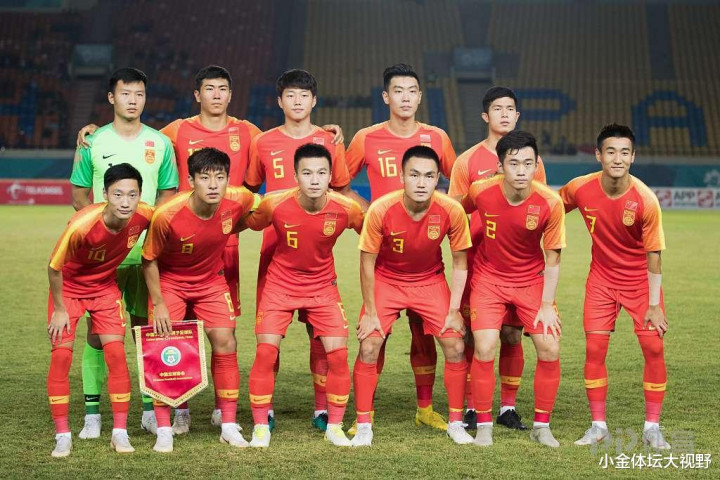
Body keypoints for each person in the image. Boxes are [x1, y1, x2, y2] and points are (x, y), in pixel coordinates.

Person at [77, 65, 344, 432]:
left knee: (223, 333)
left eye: (222, 89)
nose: (216, 95)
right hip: (177, 247)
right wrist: (93, 131)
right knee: (173, 328)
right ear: (197, 94)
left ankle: (223, 408)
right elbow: (136, 134)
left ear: (231, 95)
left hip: (224, 247)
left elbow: (286, 149)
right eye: (209, 89)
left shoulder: (250, 133)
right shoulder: (174, 132)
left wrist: (327, 133)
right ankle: (178, 407)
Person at [244, 69, 366, 432]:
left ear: (314, 101)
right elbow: (250, 192)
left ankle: (321, 409)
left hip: (316, 254)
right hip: (274, 253)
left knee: (320, 337)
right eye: (290, 95)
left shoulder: (329, 140)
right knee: (269, 339)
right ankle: (266, 410)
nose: (297, 102)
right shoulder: (262, 142)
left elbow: (342, 192)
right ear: (279, 101)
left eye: (304, 96)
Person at [345, 64, 456, 432]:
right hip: (383, 261)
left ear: (420, 97)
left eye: (411, 91)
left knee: (425, 336)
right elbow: (340, 184)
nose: (405, 98)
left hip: (426, 261)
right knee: (373, 337)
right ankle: (365, 417)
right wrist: (367, 214)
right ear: (385, 96)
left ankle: (425, 409)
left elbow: (457, 183)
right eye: (398, 91)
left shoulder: (437, 138)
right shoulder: (366, 138)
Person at [69, 67, 178, 438]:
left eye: (139, 94)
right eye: (126, 93)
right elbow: (79, 194)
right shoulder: (92, 141)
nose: (133, 100)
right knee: (97, 334)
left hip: (146, 255)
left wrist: (149, 235)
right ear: (111, 98)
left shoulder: (160, 143)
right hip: (103, 259)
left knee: (144, 331)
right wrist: (102, 235)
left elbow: (167, 194)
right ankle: (93, 415)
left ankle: (149, 410)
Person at [352, 145, 473, 447]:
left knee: (456, 345)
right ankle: (364, 423)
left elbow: (460, 263)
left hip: (429, 281)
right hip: (387, 280)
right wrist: (370, 312)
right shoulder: (381, 209)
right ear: (402, 177)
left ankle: (456, 423)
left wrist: (454, 310)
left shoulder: (451, 210)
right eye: (414, 175)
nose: (421, 183)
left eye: (429, 176)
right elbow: (366, 264)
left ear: (438, 179)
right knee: (369, 344)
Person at [559, 124, 670, 449]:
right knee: (594, 350)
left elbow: (654, 255)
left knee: (654, 349)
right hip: (601, 281)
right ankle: (598, 426)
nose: (617, 158)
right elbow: (551, 207)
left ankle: (652, 428)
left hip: (639, 284)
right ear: (599, 155)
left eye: (624, 152)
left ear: (633, 157)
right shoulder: (580, 187)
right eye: (610, 151)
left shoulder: (645, 200)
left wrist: (654, 305)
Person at [141, 148, 257, 453]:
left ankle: (228, 424)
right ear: (191, 181)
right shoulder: (167, 215)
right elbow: (149, 259)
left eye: (220, 177)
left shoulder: (239, 200)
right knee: (165, 346)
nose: (213, 184)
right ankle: (164, 428)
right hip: (171, 283)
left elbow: (260, 210)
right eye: (205, 177)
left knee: (226, 341)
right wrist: (159, 303)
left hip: (210, 281)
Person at [448, 86, 547, 430]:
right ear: (485, 116)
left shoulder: (534, 162)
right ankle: (473, 407)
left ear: (517, 115)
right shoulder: (466, 161)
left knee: (512, 336)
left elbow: (540, 208)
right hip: (478, 262)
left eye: (510, 109)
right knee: (474, 337)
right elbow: (455, 212)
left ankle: (507, 407)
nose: (504, 114)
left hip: (518, 267)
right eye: (497, 109)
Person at [460, 131, 565, 448]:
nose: (521, 170)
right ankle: (484, 427)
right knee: (484, 347)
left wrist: (547, 305)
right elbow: (458, 211)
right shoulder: (480, 190)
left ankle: (541, 426)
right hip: (488, 280)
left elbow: (554, 258)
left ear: (537, 165)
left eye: (528, 163)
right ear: (500, 165)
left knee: (550, 347)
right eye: (514, 163)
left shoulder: (550, 202)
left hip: (531, 282)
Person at [47, 164, 153, 457]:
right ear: (104, 194)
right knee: (61, 356)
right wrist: (59, 309)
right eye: (118, 194)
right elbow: (54, 268)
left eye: (132, 195)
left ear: (140, 195)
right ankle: (62, 435)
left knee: (116, 354)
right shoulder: (82, 225)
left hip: (105, 289)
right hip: (68, 290)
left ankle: (120, 433)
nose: (125, 202)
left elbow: (171, 220)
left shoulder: (145, 214)